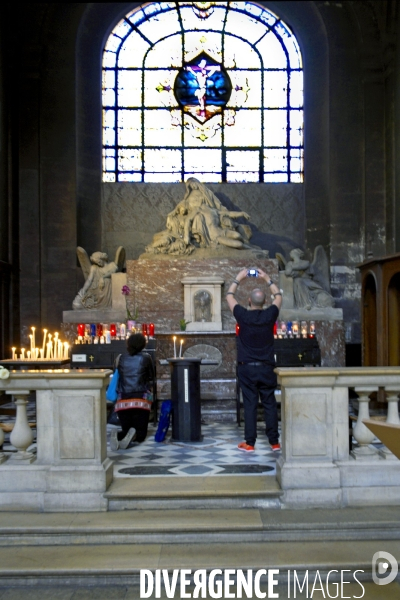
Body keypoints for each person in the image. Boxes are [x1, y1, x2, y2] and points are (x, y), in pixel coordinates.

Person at [226, 268, 283, 453]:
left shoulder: (242, 315)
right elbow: (279, 296)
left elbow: (229, 296)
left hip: (247, 368)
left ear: (249, 301)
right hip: (267, 368)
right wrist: (267, 278)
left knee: (249, 404)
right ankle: (274, 442)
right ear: (266, 302)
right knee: (269, 404)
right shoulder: (270, 314)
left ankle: (250, 443)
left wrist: (238, 278)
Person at [110, 333, 154, 451]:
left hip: (123, 400)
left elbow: (117, 375)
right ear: (143, 344)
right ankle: (134, 435)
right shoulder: (146, 358)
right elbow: (151, 377)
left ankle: (120, 435)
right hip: (141, 400)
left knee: (126, 429)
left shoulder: (121, 358)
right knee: (141, 436)